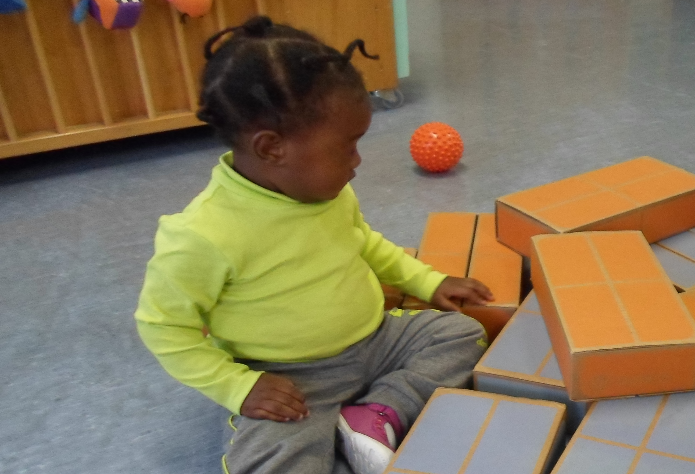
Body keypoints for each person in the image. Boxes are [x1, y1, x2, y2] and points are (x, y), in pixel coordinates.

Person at [133, 16, 493, 474]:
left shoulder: (329, 191)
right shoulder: (201, 236)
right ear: (271, 148)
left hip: (376, 340)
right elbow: (163, 329)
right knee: (276, 460)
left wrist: (429, 281)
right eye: (347, 147)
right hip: (292, 379)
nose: (358, 161)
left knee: (460, 334)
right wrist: (238, 386)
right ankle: (335, 431)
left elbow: (364, 243)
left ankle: (376, 412)